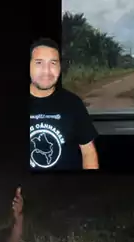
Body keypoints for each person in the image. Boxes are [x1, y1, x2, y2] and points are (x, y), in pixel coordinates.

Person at [29, 37, 99, 171]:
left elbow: (88, 152)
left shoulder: (73, 103)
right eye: (39, 63)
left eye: (53, 63)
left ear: (60, 67)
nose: (46, 71)